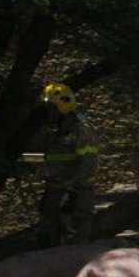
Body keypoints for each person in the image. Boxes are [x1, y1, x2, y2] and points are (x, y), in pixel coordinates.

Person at [38, 83, 99, 247]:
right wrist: (49, 191)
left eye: (52, 108)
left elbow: (88, 163)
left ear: (63, 106)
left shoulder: (81, 129)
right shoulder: (57, 132)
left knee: (74, 246)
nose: (49, 112)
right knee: (50, 245)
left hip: (76, 198)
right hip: (56, 195)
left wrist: (72, 193)